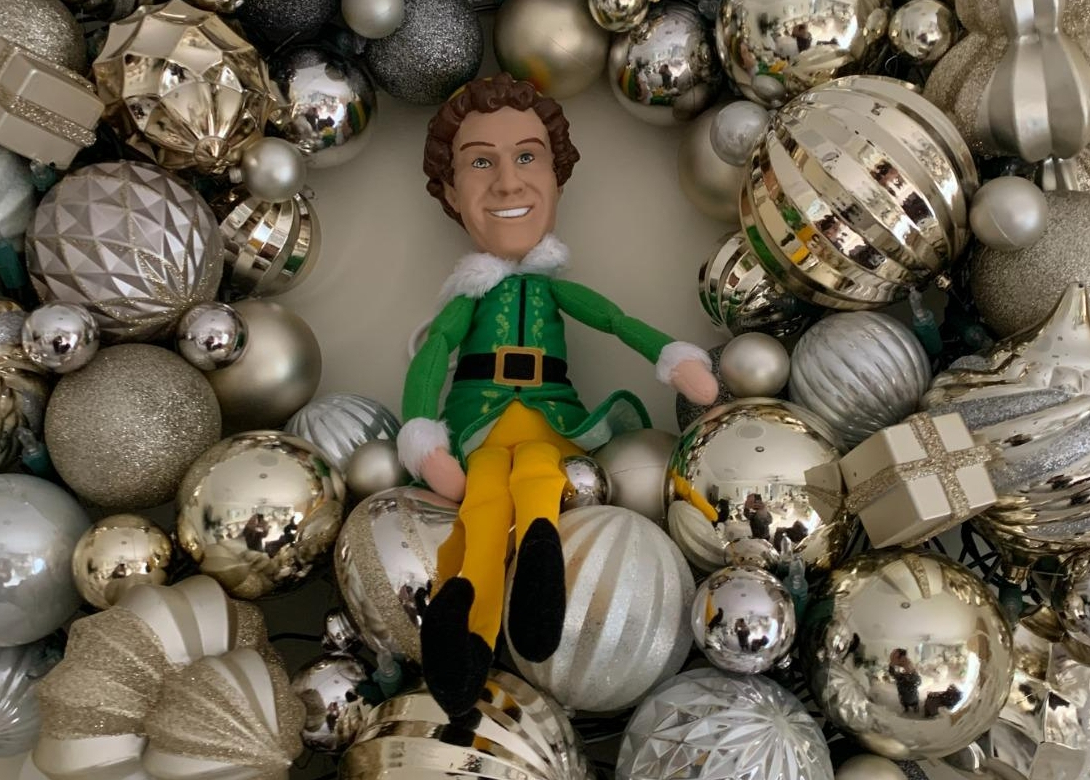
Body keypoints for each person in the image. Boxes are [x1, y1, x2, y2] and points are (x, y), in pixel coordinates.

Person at [398, 74, 718, 717]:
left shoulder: (554, 287)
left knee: (540, 469)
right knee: (486, 499)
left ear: (557, 178)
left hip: (551, 414)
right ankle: (466, 625)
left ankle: (538, 568)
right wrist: (423, 437)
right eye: (480, 163)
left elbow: (617, 321)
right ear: (451, 192)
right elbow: (433, 356)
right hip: (481, 418)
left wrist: (672, 356)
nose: (507, 183)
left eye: (527, 157)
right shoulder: (469, 296)